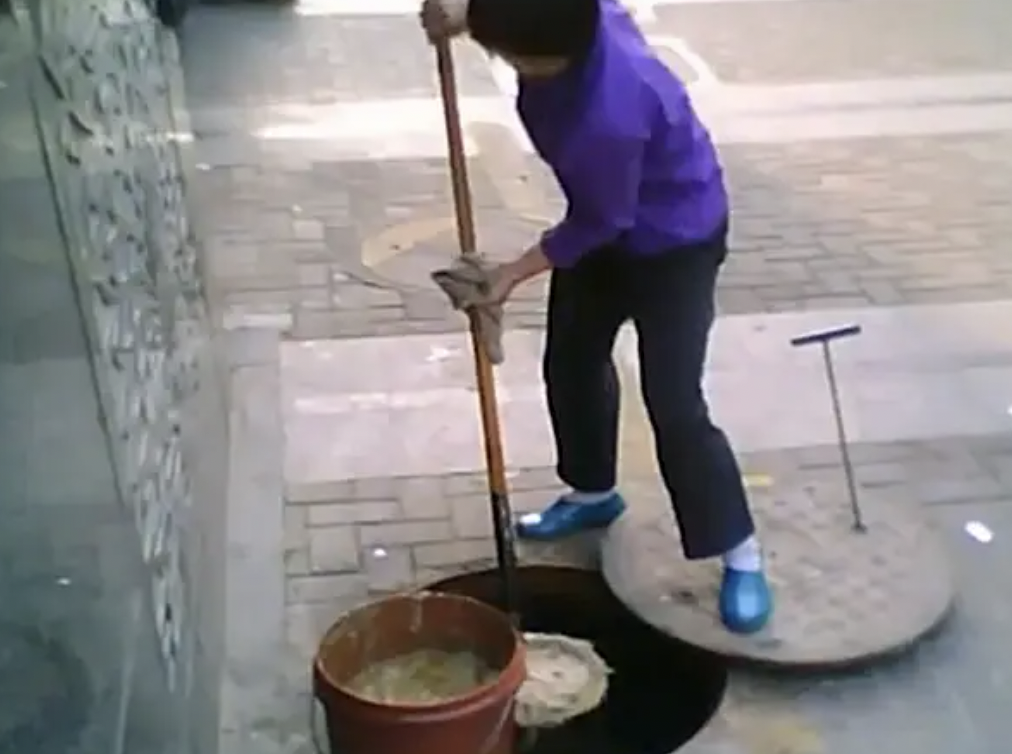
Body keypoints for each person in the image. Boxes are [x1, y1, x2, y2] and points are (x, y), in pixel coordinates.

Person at [420, 0, 772, 634]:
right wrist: (462, 14)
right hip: (605, 225)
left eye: (508, 54)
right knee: (572, 361)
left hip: (676, 242)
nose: (504, 62)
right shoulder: (579, 14)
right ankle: (593, 492)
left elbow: (600, 222)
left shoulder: (609, 112)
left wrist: (506, 276)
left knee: (675, 402)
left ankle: (740, 550)